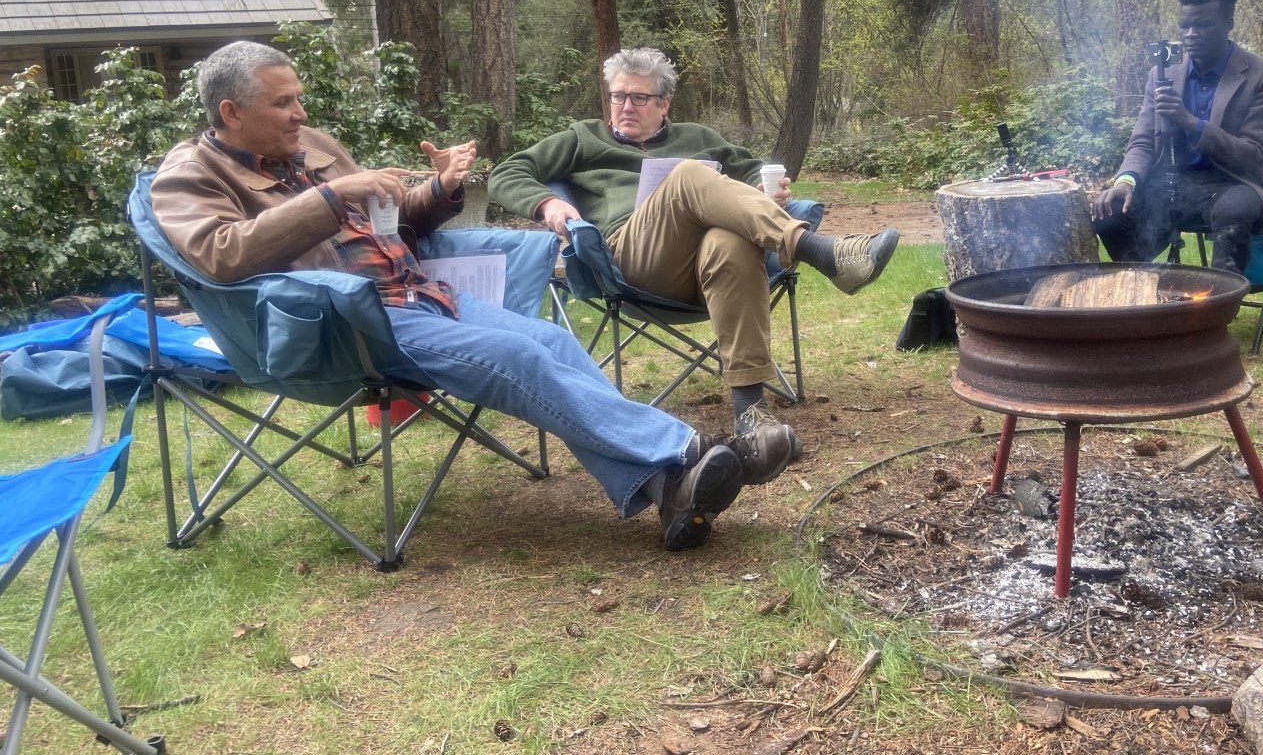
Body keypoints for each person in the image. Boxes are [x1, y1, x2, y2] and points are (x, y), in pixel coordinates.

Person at [151, 41, 797, 552]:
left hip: (420, 294)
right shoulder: (187, 176)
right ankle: (689, 450)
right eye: (283, 104)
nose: (302, 115)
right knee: (520, 362)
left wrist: (437, 190)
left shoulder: (312, 147)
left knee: (548, 340)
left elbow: (391, 220)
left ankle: (668, 490)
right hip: (350, 325)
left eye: (299, 100)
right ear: (231, 112)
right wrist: (332, 197)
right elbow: (221, 254)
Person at [489, 47, 899, 437]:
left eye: (639, 97)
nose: (625, 106)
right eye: (618, 96)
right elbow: (506, 173)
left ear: (664, 103)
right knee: (687, 175)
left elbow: (754, 168)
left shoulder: (697, 136)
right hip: (632, 261)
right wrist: (547, 203)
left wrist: (763, 186)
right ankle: (822, 252)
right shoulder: (583, 138)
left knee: (729, 242)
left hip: (702, 270)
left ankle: (750, 410)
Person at [1091, 0, 1263, 275]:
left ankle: (1219, 302)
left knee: (1233, 210)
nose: (1190, 35)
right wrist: (1126, 181)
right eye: (1184, 27)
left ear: (1228, 24)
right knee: (1109, 213)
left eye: (1203, 25)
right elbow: (1143, 140)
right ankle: (1142, 290)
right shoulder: (1163, 74)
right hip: (1175, 182)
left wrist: (1192, 123)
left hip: (1235, 182)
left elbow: (1252, 154)